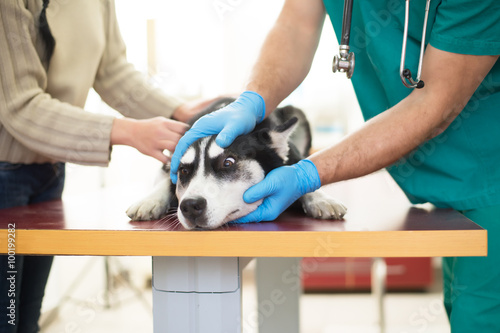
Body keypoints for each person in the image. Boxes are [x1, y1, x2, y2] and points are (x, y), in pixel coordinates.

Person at [170, 0, 500, 331]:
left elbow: (435, 104)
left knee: (478, 317)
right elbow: (296, 25)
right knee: (461, 307)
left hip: (491, 174)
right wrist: (253, 100)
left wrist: (308, 175)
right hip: (448, 185)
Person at [0, 1, 216, 332]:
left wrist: (179, 111)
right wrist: (127, 131)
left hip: (48, 170)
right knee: (6, 317)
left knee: (25, 317)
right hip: (5, 175)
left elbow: (111, 70)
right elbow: (20, 105)